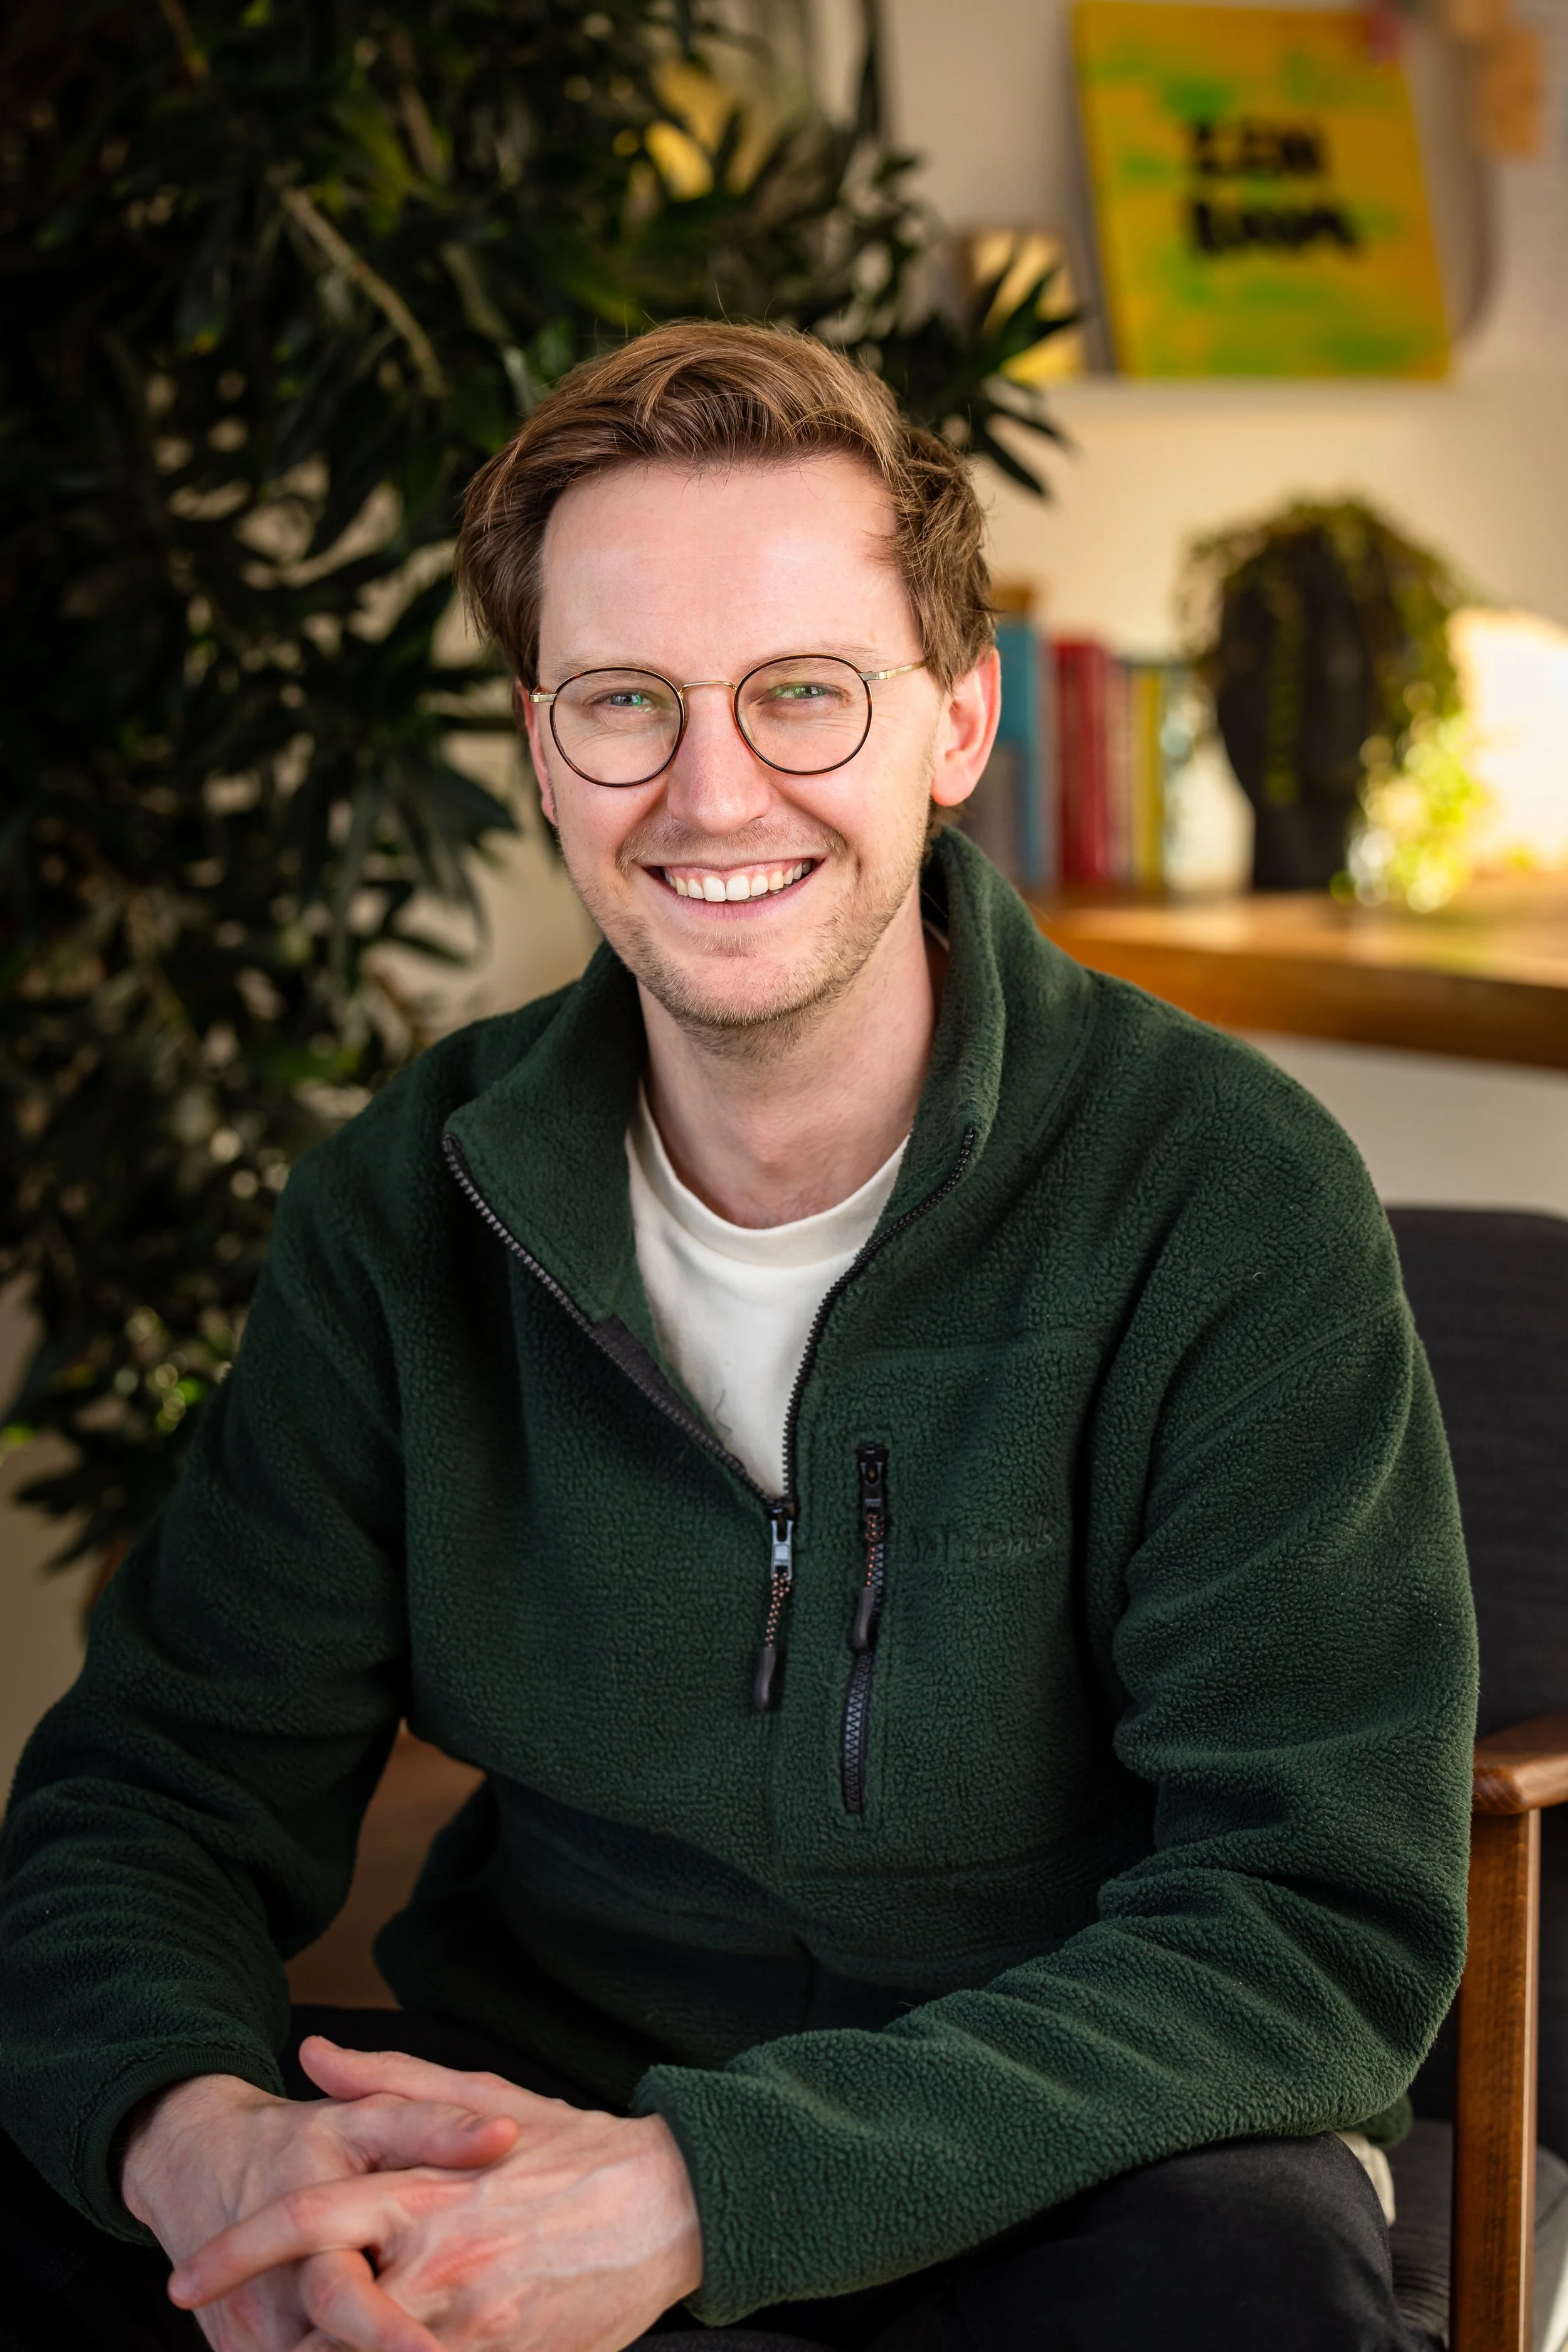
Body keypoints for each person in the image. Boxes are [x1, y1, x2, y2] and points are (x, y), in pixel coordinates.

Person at [0, 322, 1476, 2352]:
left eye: (802, 691)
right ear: (541, 747)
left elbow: (1311, 1922)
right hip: (532, 2110)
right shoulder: (405, 1202)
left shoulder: (1223, 1195)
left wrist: (711, 2189)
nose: (711, 792)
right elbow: (148, 1794)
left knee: (1246, 2285)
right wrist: (203, 2145)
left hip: (1062, 2151)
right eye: (625, 701)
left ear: (955, 720)